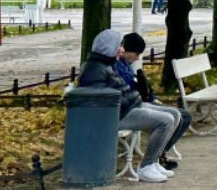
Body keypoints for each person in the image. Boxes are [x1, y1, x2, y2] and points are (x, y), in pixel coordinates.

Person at [78, 29, 176, 183]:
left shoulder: (107, 65)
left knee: (174, 115)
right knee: (166, 120)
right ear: (108, 47)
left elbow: (121, 92)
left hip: (126, 109)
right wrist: (133, 97)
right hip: (115, 117)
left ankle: (154, 161)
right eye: (119, 46)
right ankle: (146, 167)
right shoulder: (95, 70)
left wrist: (135, 96)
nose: (122, 50)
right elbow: (103, 102)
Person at [116, 33, 189, 172]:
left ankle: (157, 156)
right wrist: (142, 95)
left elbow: (133, 90)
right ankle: (150, 162)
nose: (137, 58)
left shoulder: (125, 66)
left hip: (134, 104)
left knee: (180, 115)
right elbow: (126, 93)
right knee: (168, 119)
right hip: (127, 110)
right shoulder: (117, 66)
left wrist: (148, 95)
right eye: (136, 54)